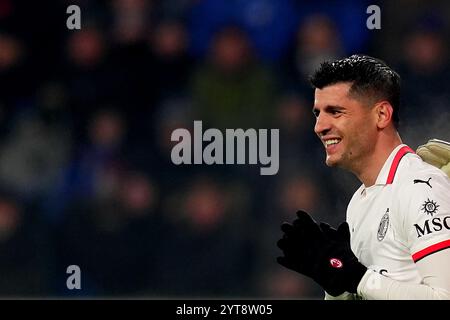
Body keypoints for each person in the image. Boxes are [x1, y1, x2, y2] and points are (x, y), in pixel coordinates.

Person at [276, 55, 450, 299]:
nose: (319, 126)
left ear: (381, 115)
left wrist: (356, 277)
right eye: (318, 113)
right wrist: (336, 283)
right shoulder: (360, 201)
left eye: (335, 112)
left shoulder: (420, 188)